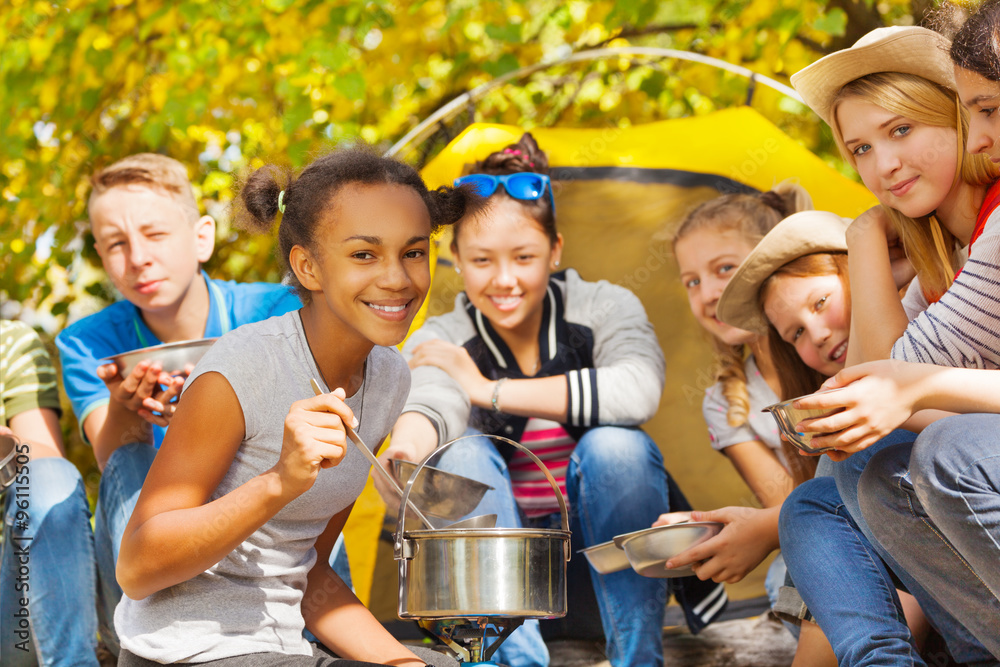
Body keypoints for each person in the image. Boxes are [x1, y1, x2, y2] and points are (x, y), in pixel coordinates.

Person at [113, 148, 477, 666]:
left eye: (413, 252)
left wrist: (403, 662)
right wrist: (278, 481)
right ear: (308, 266)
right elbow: (137, 566)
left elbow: (308, 570)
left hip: (283, 648)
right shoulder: (242, 369)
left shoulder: (390, 377)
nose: (397, 278)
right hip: (182, 651)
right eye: (364, 255)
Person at [378, 133, 726, 667]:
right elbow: (431, 402)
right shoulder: (442, 336)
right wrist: (405, 452)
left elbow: (637, 390)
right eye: (481, 260)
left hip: (603, 574)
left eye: (524, 256)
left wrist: (489, 390)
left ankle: (639, 659)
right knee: (463, 452)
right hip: (500, 597)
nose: (504, 280)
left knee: (618, 445)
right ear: (457, 261)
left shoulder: (604, 306)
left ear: (555, 251)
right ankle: (513, 662)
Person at [773, 25, 1000, 666]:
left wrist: (866, 241)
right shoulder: (940, 258)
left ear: (957, 117)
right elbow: (879, 395)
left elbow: (890, 378)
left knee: (938, 452)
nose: (884, 165)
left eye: (901, 131)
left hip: (973, 467)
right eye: (862, 149)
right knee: (824, 497)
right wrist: (868, 236)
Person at [54, 154, 310, 654]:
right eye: (116, 245)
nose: (138, 258)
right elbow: (113, 465)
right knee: (133, 456)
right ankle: (159, 637)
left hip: (257, 540)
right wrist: (127, 411)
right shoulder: (86, 341)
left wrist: (217, 405)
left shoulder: (274, 312)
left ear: (201, 238)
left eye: (155, 235)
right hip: (150, 566)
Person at [666, 184, 837, 665]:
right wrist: (712, 528)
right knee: (789, 570)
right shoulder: (724, 400)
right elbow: (785, 505)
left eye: (724, 269)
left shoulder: (834, 343)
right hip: (811, 530)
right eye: (691, 281)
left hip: (881, 519)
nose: (708, 294)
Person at [0, 320, 98, 666]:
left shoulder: (10, 343)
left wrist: (4, 447)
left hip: (8, 609)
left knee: (51, 478)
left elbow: (45, 469)